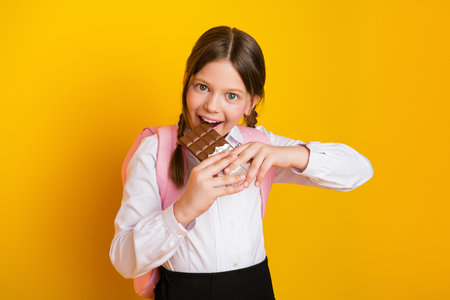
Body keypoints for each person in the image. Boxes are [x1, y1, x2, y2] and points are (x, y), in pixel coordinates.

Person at [109, 25, 374, 300]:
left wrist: (290, 154)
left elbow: (360, 170)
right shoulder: (154, 150)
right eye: (202, 87)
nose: (212, 106)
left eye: (231, 96)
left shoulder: (260, 147)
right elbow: (124, 259)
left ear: (251, 103)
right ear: (187, 81)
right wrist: (183, 210)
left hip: (256, 288)